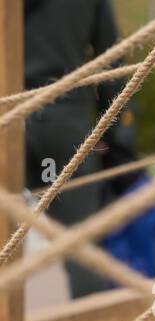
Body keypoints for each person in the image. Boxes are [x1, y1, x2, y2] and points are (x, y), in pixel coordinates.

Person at [22, 0, 132, 298]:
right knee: (82, 249)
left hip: (9, 114)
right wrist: (119, 132)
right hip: (65, 118)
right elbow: (111, 55)